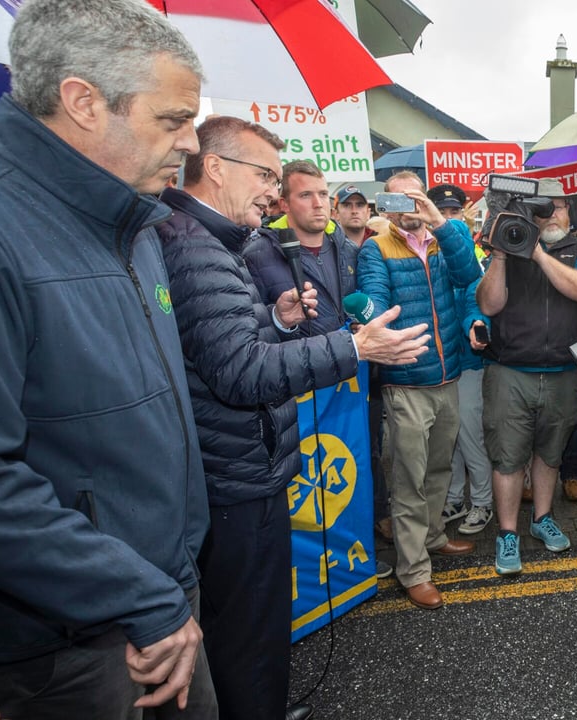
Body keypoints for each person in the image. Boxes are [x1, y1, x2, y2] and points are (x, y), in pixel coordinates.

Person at [0, 1, 216, 717]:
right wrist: (139, 596)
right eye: (172, 121)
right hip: (62, 650)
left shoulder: (135, 220)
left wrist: (164, 590)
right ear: (82, 101)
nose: (192, 144)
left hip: (161, 599)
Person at [157, 116, 429, 720]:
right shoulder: (197, 246)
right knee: (247, 633)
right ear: (217, 167)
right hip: (235, 476)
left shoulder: (213, 242)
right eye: (266, 177)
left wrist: (278, 320)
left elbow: (220, 344)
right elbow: (239, 374)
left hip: (240, 467)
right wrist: (355, 349)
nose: (272, 194)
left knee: (252, 628)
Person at [357, 171, 480, 609]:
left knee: (439, 470)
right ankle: (413, 571)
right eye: (398, 202)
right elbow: (375, 302)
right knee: (409, 481)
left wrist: (442, 225)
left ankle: (433, 537)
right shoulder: (376, 248)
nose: (408, 209)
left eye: (415, 200)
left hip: (447, 377)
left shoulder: (447, 239)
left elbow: (470, 276)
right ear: (385, 207)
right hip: (407, 381)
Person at [476, 178, 577, 576]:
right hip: (511, 370)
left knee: (549, 455)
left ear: (572, 213)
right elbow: (489, 305)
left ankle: (543, 517)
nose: (551, 214)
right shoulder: (510, 246)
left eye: (559, 207)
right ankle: (508, 532)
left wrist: (539, 254)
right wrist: (502, 254)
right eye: (542, 208)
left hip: (563, 372)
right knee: (508, 458)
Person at [431, 183, 497, 536]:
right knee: (448, 439)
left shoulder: (472, 258)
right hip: (439, 368)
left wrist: (477, 323)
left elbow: (477, 299)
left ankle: (483, 502)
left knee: (471, 437)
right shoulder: (425, 258)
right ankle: (455, 497)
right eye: (440, 213)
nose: (447, 219)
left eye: (454, 212)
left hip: (468, 366)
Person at [243, 160, 359, 336]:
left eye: (323, 194)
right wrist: (280, 322)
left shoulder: (349, 250)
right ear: (284, 204)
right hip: (296, 361)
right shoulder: (256, 255)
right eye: (305, 195)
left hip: (352, 360)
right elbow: (251, 331)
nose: (318, 203)